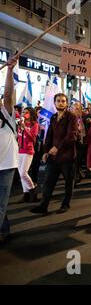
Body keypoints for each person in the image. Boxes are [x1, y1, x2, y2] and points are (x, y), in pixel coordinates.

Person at [30, 93, 78, 215]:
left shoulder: (71, 117)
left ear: (66, 103)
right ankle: (43, 206)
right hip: (53, 157)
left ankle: (65, 204)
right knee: (48, 182)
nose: (60, 103)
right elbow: (49, 136)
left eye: (63, 101)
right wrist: (46, 151)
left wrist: (57, 147)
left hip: (67, 156)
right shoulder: (53, 117)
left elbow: (71, 136)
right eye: (58, 101)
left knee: (68, 181)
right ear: (55, 103)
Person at [0, 56, 19, 243]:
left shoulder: (6, 111)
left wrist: (10, 71)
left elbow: (7, 93)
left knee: (1, 202)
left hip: (6, 164)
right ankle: (4, 229)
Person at [17, 107, 39, 203]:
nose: (24, 114)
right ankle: (26, 194)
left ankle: (32, 190)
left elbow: (32, 138)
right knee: (21, 174)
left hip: (28, 151)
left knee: (23, 173)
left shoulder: (35, 125)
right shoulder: (20, 123)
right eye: (23, 112)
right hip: (19, 151)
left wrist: (24, 128)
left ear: (31, 114)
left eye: (27, 112)